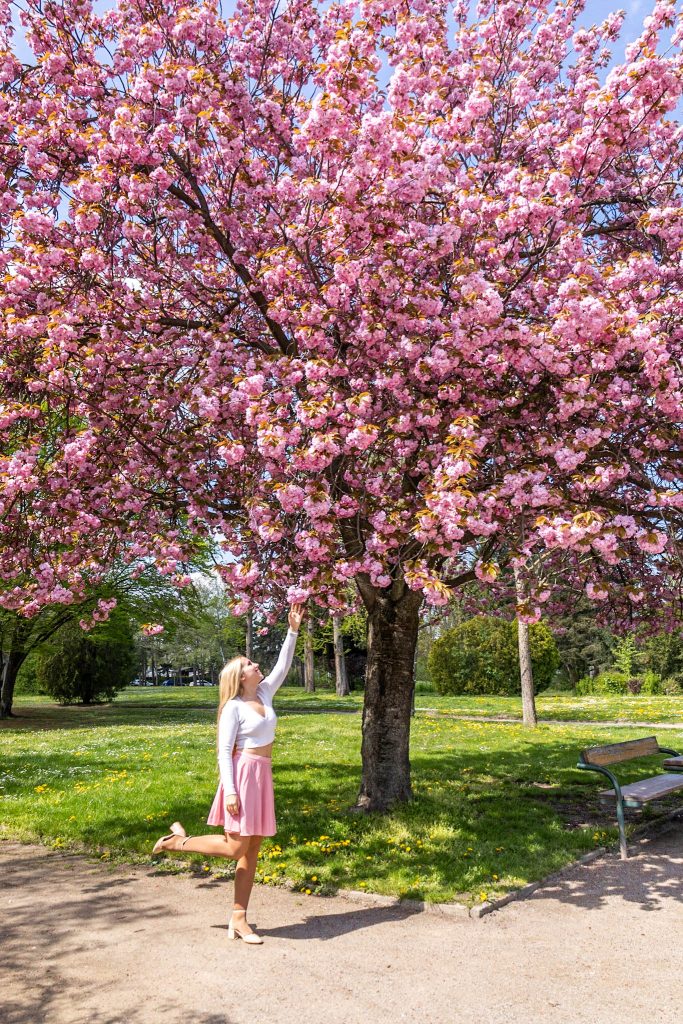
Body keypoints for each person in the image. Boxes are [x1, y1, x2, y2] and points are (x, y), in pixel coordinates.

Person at [152, 602, 305, 945]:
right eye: (249, 664)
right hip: (243, 776)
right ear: (240, 677)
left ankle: (239, 918)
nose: (256, 664)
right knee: (236, 847)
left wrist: (292, 630)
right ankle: (178, 842)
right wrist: (231, 791)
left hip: (263, 775)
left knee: (252, 851)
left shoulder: (264, 692)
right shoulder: (233, 708)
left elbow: (282, 665)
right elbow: (223, 751)